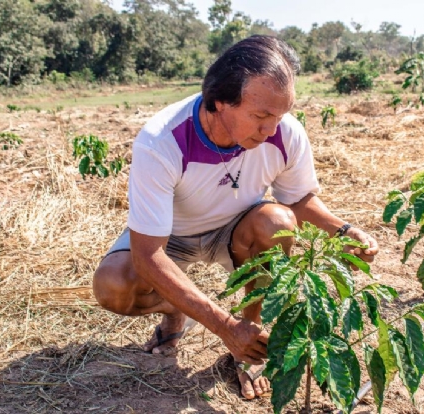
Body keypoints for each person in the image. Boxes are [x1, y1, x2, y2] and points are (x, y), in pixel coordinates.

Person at [92, 35, 379, 401]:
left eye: (280, 115)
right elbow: (149, 255)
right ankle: (178, 312)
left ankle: (250, 334)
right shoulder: (163, 141)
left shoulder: (283, 132)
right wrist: (221, 325)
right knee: (114, 287)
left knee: (277, 222)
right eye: (260, 116)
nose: (272, 130)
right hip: (172, 237)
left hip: (236, 230)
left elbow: (300, 199)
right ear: (219, 103)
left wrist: (345, 230)